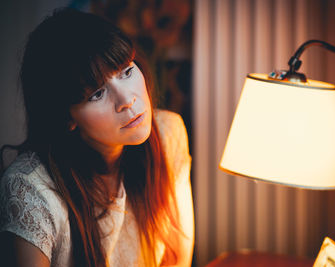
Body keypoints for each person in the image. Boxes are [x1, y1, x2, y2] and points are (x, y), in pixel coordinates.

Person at [0, 7, 194, 267]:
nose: (127, 100)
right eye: (97, 94)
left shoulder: (169, 132)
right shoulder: (29, 189)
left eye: (126, 71)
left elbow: (177, 257)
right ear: (66, 117)